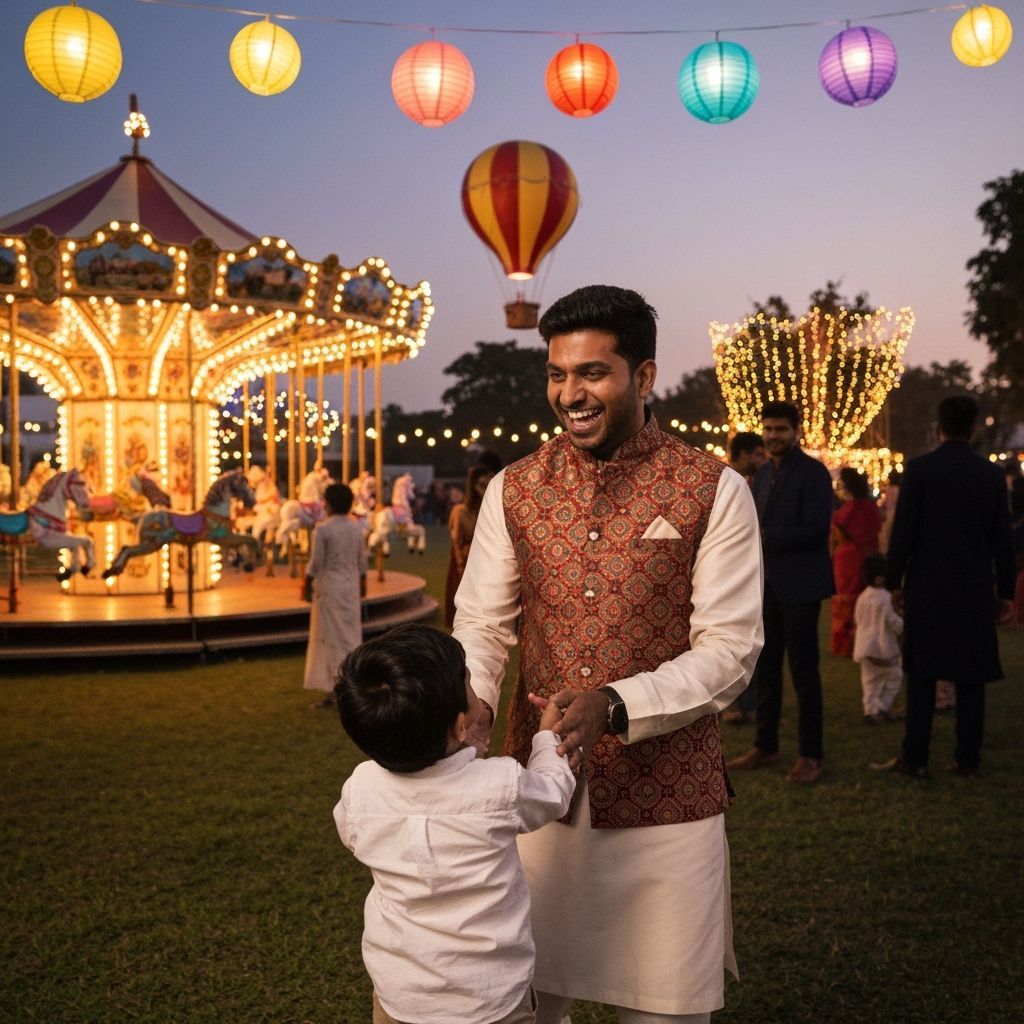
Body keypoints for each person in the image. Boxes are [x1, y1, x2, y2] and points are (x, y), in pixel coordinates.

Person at [453, 284, 764, 1024]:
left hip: (669, 804)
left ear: (644, 377)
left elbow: (731, 648)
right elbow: (482, 625)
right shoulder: (514, 489)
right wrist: (474, 706)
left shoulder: (712, 490)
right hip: (540, 793)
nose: (570, 394)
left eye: (593, 373)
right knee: (525, 1002)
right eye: (558, 374)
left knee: (664, 1008)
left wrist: (617, 705)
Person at [333, 624, 575, 1024]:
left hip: (401, 997)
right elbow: (552, 791)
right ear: (460, 726)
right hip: (492, 999)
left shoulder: (359, 790)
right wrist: (546, 739)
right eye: (467, 678)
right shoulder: (501, 784)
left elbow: (352, 835)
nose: (473, 683)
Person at [876, 396, 1015, 779]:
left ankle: (915, 757)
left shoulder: (920, 470)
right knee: (971, 676)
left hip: (928, 585)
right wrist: (1005, 591)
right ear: (973, 429)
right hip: (972, 587)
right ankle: (967, 758)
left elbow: (904, 530)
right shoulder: (989, 475)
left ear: (938, 428)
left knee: (922, 673)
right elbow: (1002, 539)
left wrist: (894, 581)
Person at [726, 399, 834, 785]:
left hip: (801, 587)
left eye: (781, 430)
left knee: (805, 674)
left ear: (796, 431)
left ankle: (811, 755)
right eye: (768, 430)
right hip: (765, 587)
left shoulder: (814, 474)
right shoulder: (765, 474)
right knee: (765, 668)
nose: (773, 436)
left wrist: (764, 537)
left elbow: (817, 528)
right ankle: (765, 745)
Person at [301, 483, 368, 708]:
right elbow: (362, 561)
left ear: (328, 504)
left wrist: (306, 582)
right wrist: (363, 582)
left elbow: (316, 561)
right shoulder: (355, 528)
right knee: (349, 636)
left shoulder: (323, 529)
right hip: (350, 588)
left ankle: (339, 690)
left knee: (331, 639)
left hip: (330, 588)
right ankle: (350, 686)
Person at [719, 431, 767, 724]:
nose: (762, 461)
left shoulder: (758, 481)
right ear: (745, 454)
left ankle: (748, 703)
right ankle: (731, 705)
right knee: (726, 639)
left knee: (750, 641)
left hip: (753, 573)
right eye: (757, 455)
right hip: (725, 572)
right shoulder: (723, 481)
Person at [829, 467, 881, 656]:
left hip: (847, 558)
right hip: (866, 557)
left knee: (847, 599)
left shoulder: (847, 511)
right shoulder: (869, 508)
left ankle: (846, 642)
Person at [853, 553, 903, 723]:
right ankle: (883, 706)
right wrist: (903, 625)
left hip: (866, 648)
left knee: (870, 682)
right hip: (884, 647)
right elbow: (892, 620)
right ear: (880, 578)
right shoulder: (886, 598)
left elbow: (857, 618)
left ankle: (870, 709)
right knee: (895, 676)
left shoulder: (862, 598)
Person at [443, 463, 494, 629]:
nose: (484, 489)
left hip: (487, 563)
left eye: (487, 484)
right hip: (467, 563)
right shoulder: (462, 511)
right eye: (481, 485)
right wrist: (461, 567)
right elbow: (457, 542)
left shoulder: (491, 508)